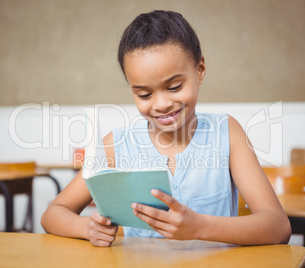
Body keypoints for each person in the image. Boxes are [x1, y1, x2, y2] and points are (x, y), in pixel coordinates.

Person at [41, 10, 291, 247]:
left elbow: (278, 226)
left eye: (174, 87)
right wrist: (87, 228)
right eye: (144, 93)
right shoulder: (116, 146)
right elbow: (53, 214)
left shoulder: (227, 133)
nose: (161, 104)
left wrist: (200, 227)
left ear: (200, 70)